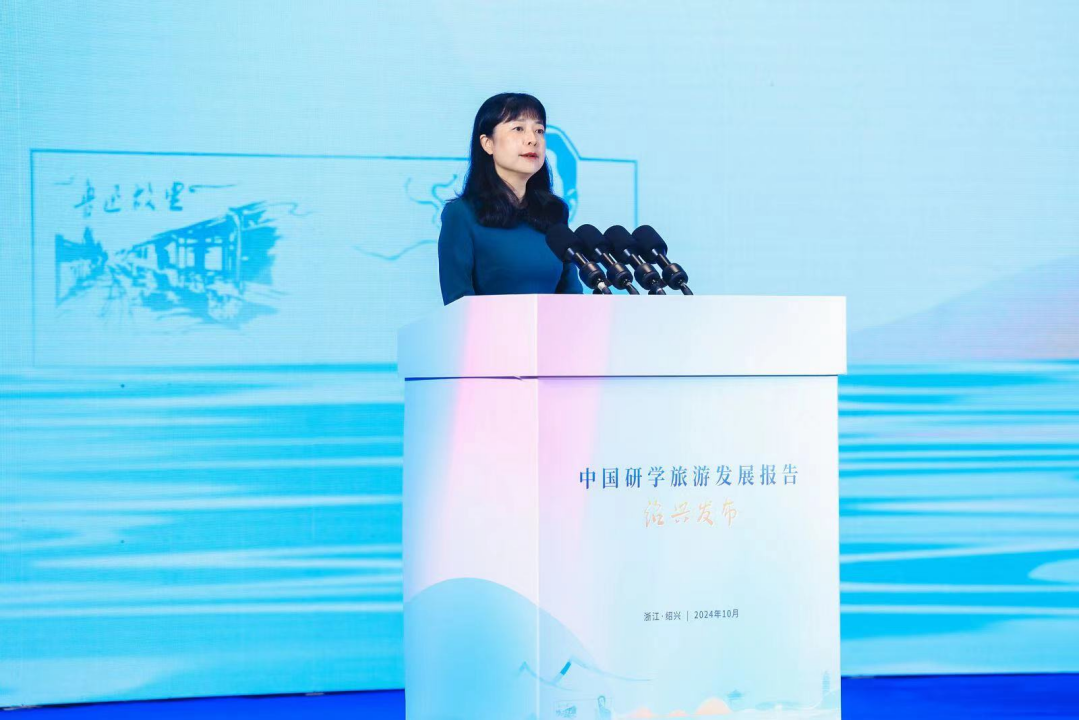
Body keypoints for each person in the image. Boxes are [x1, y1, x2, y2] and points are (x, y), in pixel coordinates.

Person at [438, 92, 583, 305]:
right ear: (488, 143)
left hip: (554, 327)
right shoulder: (461, 214)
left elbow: (572, 296)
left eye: (539, 130)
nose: (532, 139)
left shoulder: (555, 213)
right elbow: (457, 302)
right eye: (518, 129)